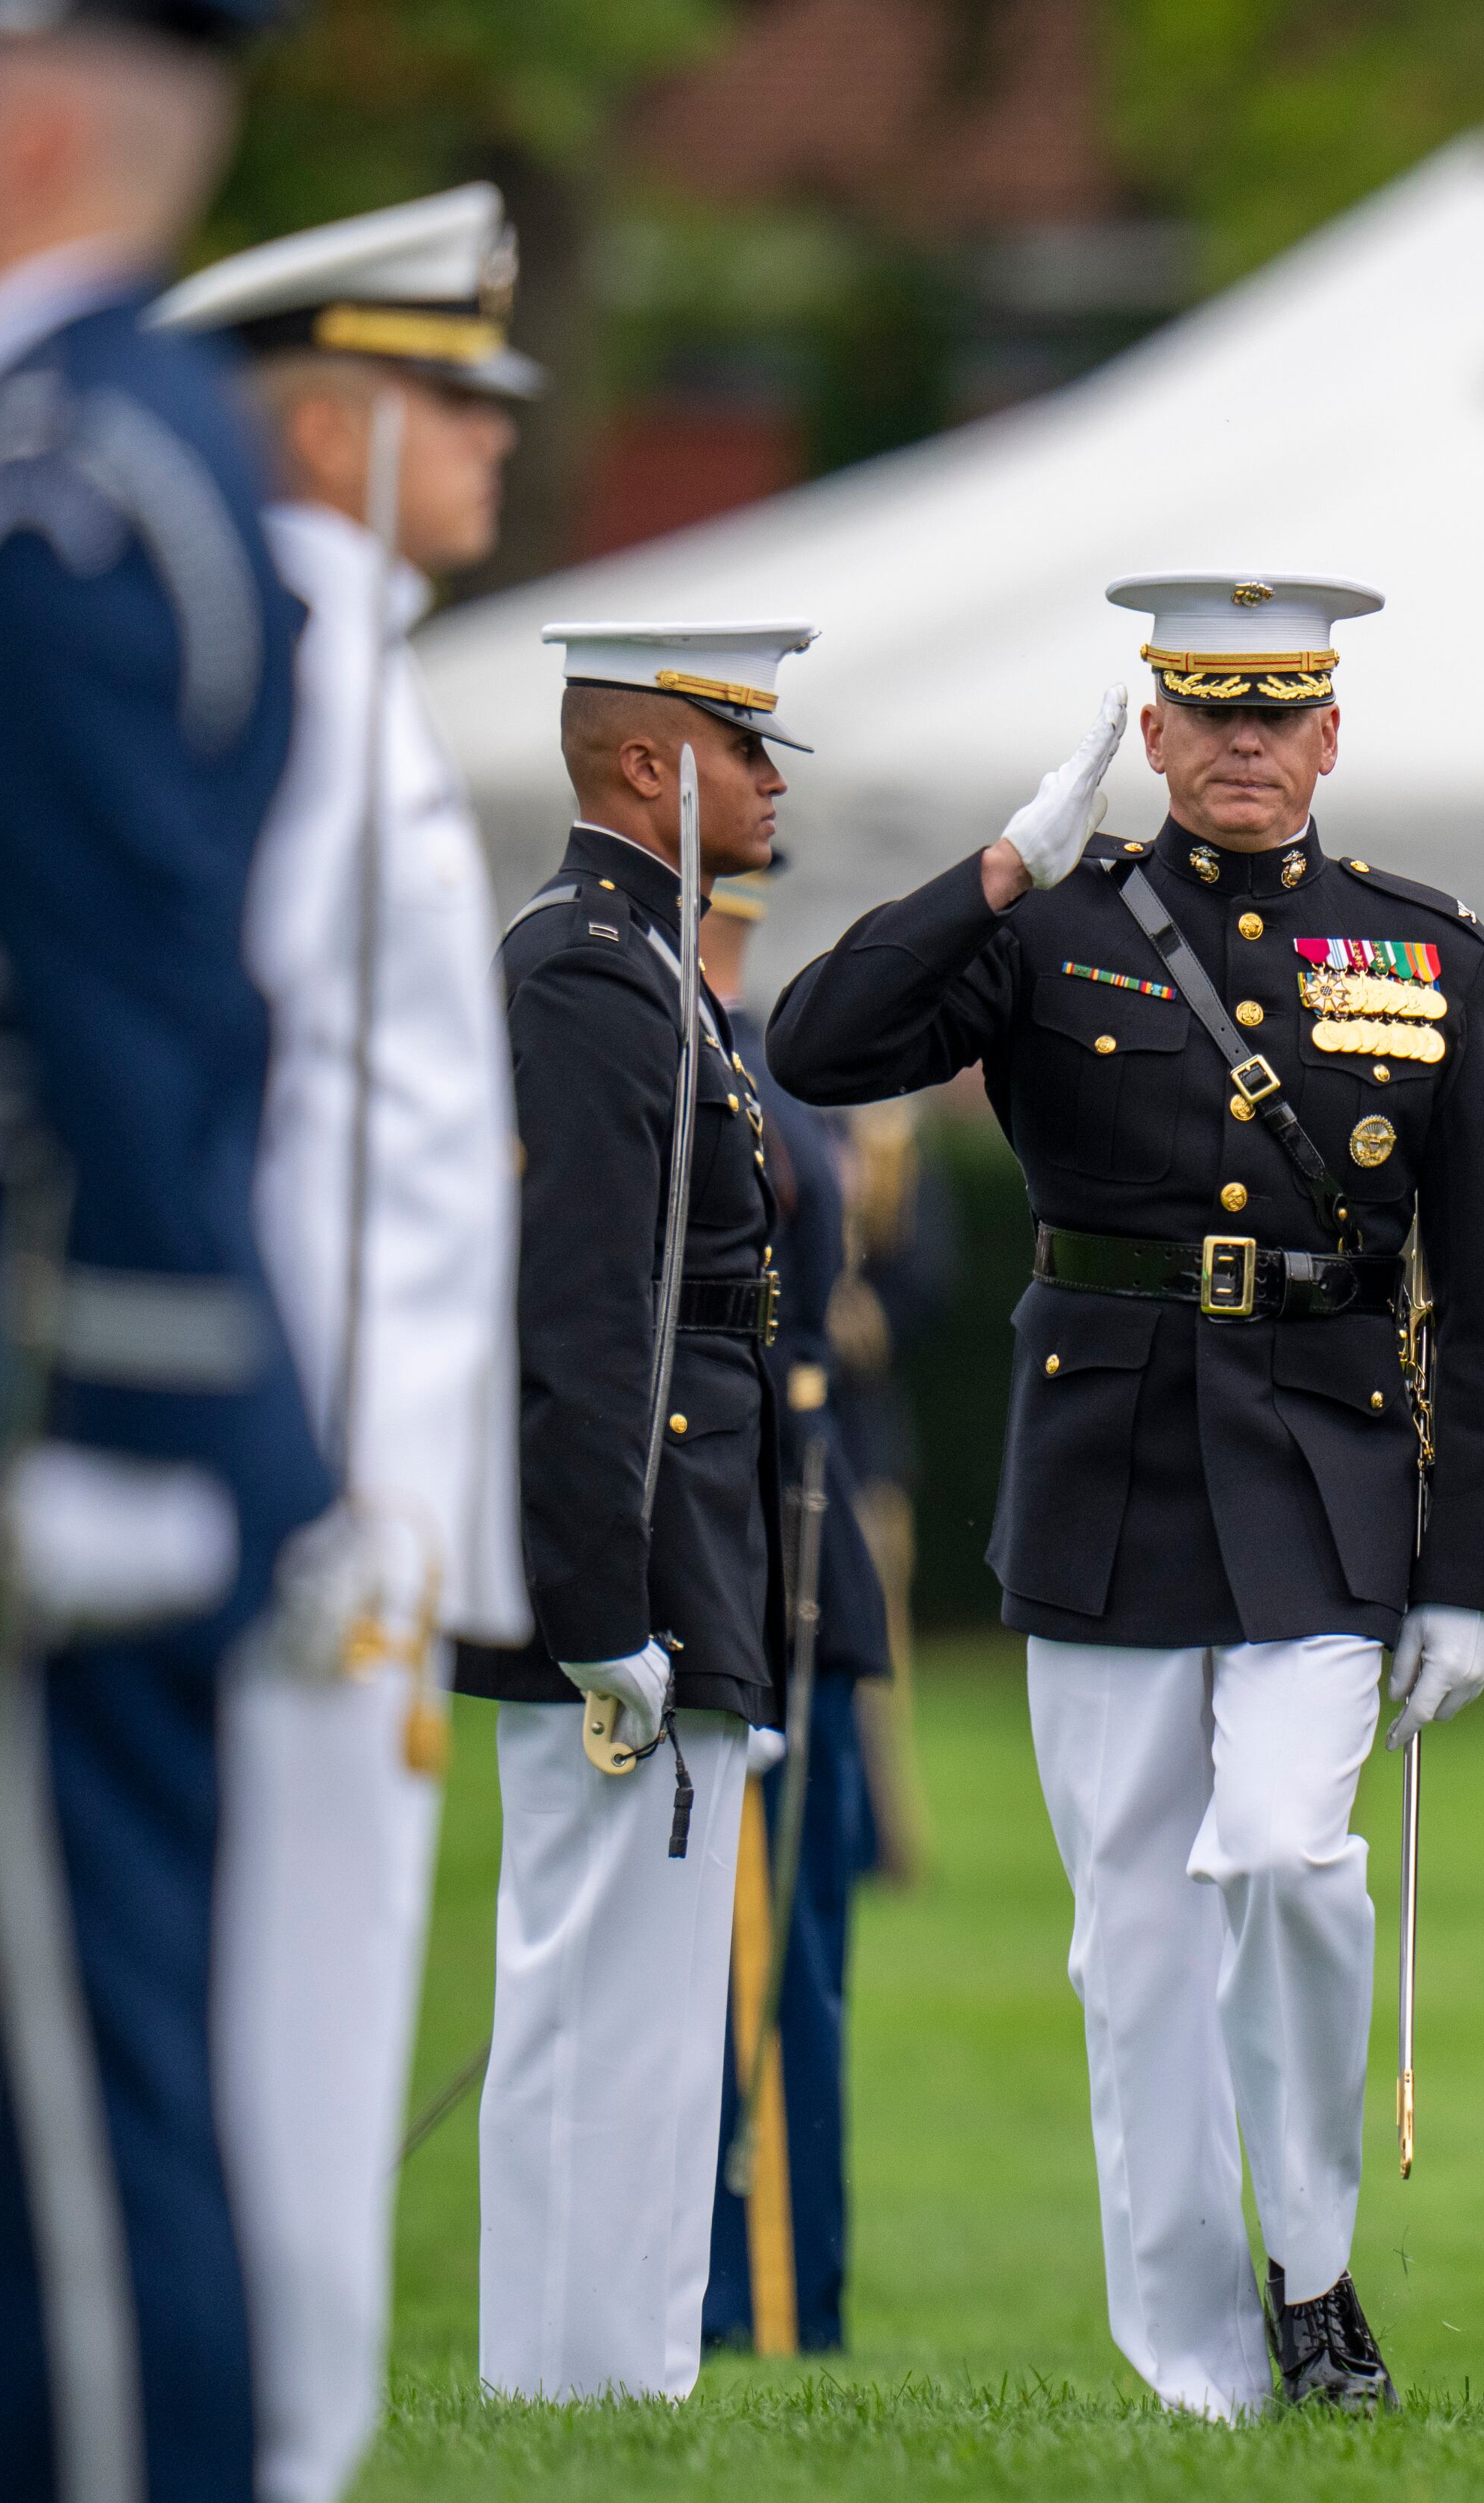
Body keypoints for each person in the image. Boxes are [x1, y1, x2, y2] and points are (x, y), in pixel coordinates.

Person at [768, 574, 1484, 2417]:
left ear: (1331, 736)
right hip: (1106, 1465)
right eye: (1212, 716)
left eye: (1283, 717)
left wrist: (1473, 1571)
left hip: (1327, 1464)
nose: (1249, 749)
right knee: (1136, 1937)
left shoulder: (1426, 952)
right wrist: (996, 872)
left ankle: (1315, 2266)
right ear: (1158, 732)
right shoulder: (1057, 931)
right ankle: (1202, 2364)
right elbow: (816, 1044)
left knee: (1285, 1854)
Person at [0, 14, 339, 2503]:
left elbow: (132, 1005)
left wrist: (134, 1412)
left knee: (80, 2177)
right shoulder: (124, 457)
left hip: (56, 1413)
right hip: (90, 1388)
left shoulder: (62, 490)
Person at [149, 180, 532, 2503]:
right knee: (281, 2060)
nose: (495, 434)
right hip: (304, 1490)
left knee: (316, 2039)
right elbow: (222, 1073)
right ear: (329, 424)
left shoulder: (349, 666)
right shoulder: (287, 670)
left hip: (363, 1488)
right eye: (447, 394)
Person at [466, 621, 807, 2402]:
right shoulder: (590, 972)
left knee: (641, 1997)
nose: (774, 783)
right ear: (648, 768)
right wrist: (600, 1601)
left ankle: (595, 2369)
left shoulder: (642, 964)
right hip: (637, 1547)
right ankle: (589, 2377)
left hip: (681, 1525)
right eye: (748, 749)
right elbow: (585, 1310)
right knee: (610, 1990)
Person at [695, 859, 894, 2359]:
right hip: (719, 1546)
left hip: (782, 1542)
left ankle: (773, 2307)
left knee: (787, 1960)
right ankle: (746, 2304)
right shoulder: (661, 1040)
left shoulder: (752, 1063)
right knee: (738, 1962)